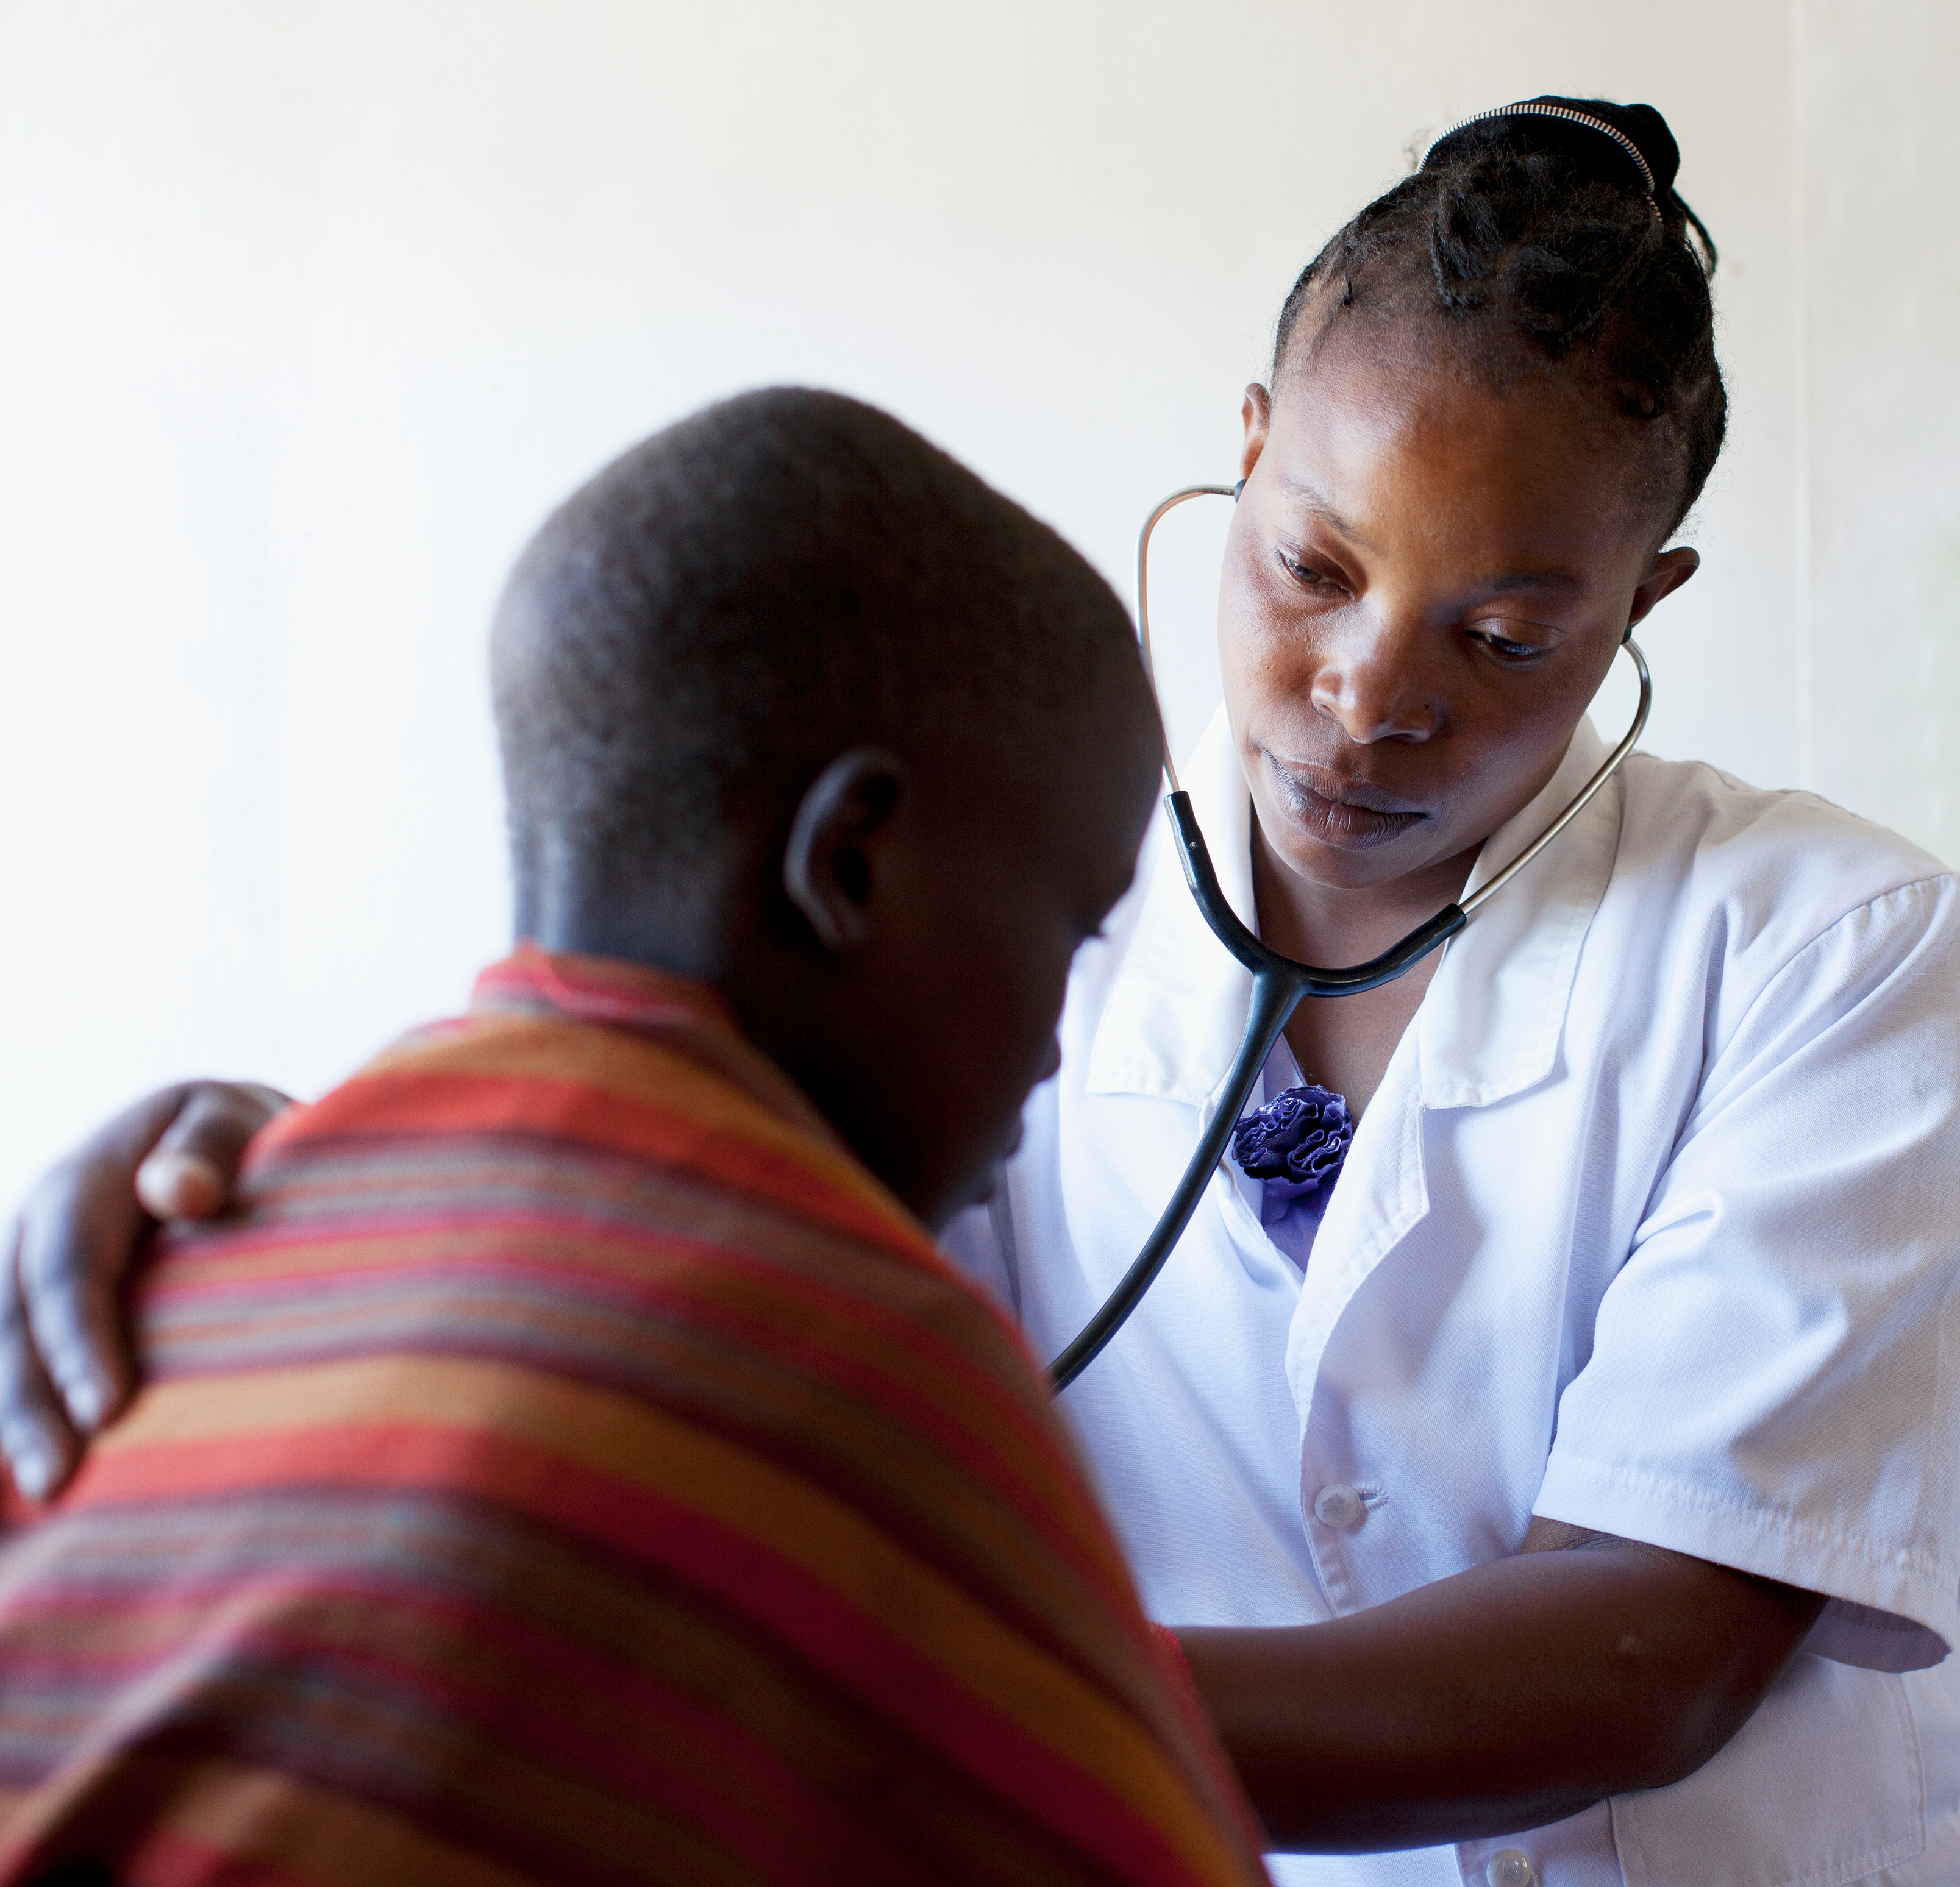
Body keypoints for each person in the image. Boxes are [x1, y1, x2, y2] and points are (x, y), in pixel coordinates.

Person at [7, 93, 1960, 1885]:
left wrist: (884, 1708)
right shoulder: (994, 883)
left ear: (1644, 608)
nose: (1371, 694)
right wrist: (276, 1194)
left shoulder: (1825, 955)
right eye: (1310, 567)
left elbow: (1650, 1653)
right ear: (1252, 451)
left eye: (1511, 633)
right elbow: (657, 1216)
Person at [0, 389, 1271, 1886]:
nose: (1058, 1047)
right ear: (849, 864)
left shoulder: (180, 1257)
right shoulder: (860, 1362)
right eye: (1067, 931)